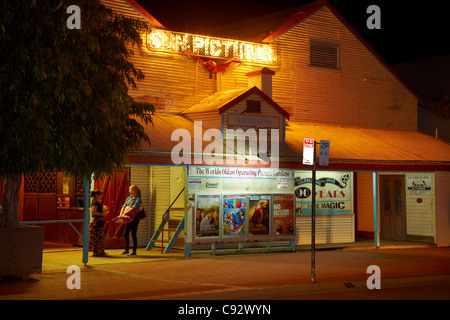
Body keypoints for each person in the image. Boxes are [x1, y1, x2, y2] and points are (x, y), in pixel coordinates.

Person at [120, 185, 142, 256]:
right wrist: (121, 213)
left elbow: (134, 208)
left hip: (134, 218)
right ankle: (126, 249)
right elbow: (124, 205)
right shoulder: (129, 198)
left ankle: (134, 251)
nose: (129, 191)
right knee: (126, 233)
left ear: (134, 191)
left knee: (133, 234)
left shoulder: (138, 199)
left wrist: (126, 212)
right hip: (128, 218)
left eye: (130, 190)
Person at [89, 189, 107, 257]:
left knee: (99, 236)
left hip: (97, 220)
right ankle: (97, 251)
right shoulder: (95, 203)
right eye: (100, 194)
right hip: (96, 220)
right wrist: (103, 214)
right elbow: (94, 212)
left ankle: (100, 251)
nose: (101, 196)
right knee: (97, 236)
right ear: (96, 195)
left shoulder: (95, 202)